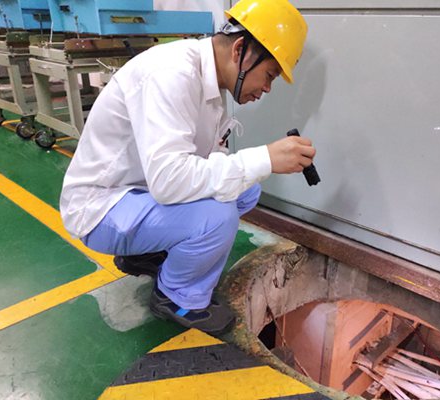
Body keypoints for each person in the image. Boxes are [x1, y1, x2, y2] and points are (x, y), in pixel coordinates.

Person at [59, 0, 313, 335]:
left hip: (139, 190)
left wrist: (256, 166)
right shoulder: (171, 74)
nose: (266, 89)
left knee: (246, 190)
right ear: (240, 50)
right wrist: (263, 158)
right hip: (101, 207)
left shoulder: (208, 83)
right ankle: (176, 296)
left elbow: (198, 164)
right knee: (218, 216)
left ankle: (145, 252)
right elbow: (169, 181)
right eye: (269, 75)